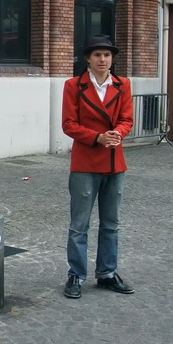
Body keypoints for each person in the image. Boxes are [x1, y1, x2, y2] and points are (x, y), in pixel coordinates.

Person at [62, 36, 134, 299]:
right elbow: (68, 124)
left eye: (107, 55)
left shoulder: (123, 84)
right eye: (97, 55)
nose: (103, 60)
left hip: (115, 162)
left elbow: (128, 118)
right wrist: (97, 137)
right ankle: (76, 274)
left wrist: (117, 133)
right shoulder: (73, 85)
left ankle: (107, 273)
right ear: (87, 59)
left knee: (111, 223)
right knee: (79, 225)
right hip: (85, 162)